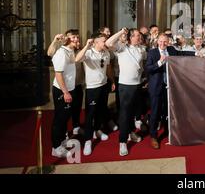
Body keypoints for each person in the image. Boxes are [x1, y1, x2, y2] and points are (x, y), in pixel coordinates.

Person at [145, 34, 196, 149]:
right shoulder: (152, 53)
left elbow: (181, 54)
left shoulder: (171, 49)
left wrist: (196, 54)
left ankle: (169, 133)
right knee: (155, 111)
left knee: (167, 111)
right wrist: (159, 62)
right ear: (157, 41)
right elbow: (148, 68)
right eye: (161, 41)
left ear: (168, 42)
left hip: (170, 86)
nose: (163, 44)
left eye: (165, 42)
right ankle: (153, 136)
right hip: (156, 87)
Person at [106, 28, 146, 156]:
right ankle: (122, 142)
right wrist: (120, 32)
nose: (139, 38)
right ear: (130, 37)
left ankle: (130, 133)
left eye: (140, 36)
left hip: (137, 85)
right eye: (137, 36)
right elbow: (108, 43)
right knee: (124, 114)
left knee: (133, 113)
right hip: (125, 86)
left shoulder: (141, 49)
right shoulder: (122, 48)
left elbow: (141, 67)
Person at [75, 34, 116, 156]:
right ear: (96, 42)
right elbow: (77, 59)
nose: (106, 43)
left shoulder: (106, 53)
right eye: (104, 41)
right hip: (92, 88)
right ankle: (88, 140)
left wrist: (112, 81)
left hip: (104, 85)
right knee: (90, 114)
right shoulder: (88, 53)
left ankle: (98, 130)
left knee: (101, 110)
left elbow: (108, 68)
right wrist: (87, 45)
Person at [50, 29, 80, 157]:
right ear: (67, 39)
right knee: (60, 118)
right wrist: (66, 92)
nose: (77, 39)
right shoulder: (62, 52)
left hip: (69, 89)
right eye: (74, 37)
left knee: (65, 116)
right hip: (62, 90)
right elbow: (58, 74)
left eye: (78, 37)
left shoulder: (70, 51)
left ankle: (62, 140)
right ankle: (56, 148)